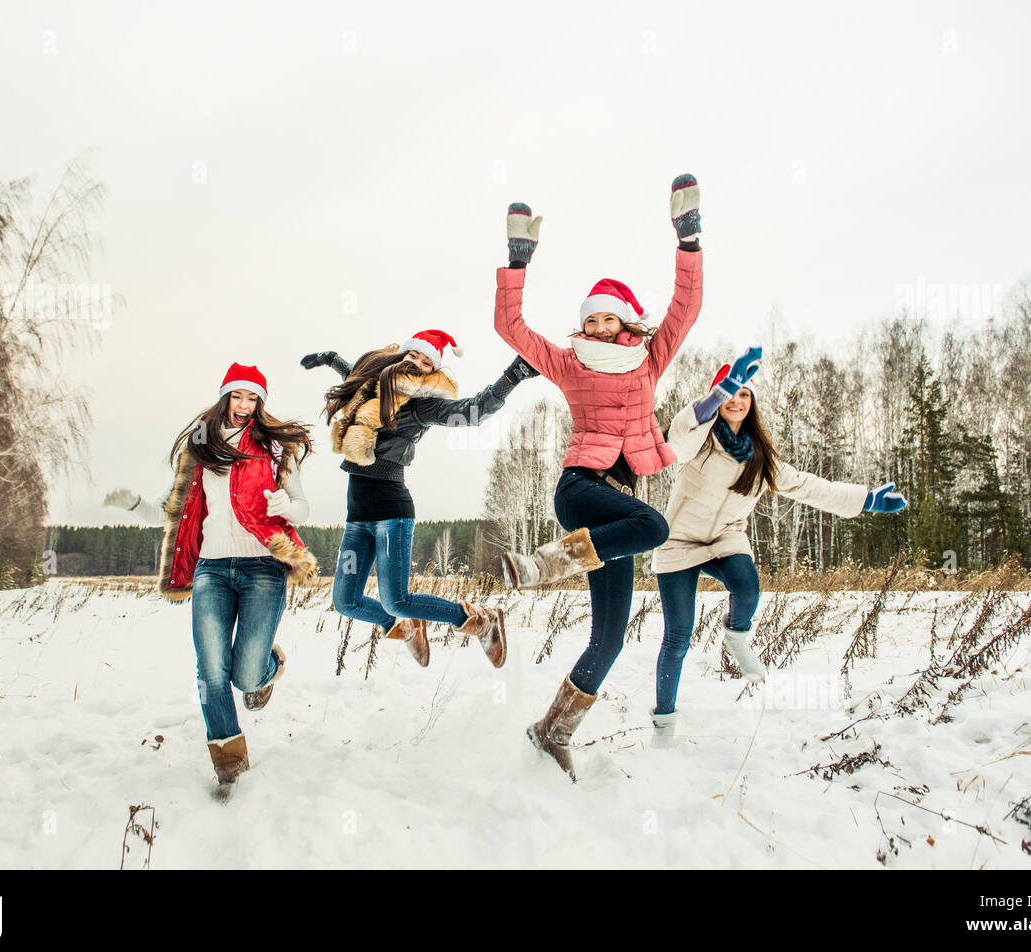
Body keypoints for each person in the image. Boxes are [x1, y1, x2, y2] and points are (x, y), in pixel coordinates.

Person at [492, 174, 704, 779]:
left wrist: (687, 238)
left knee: (609, 638)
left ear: (627, 322)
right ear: (585, 325)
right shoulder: (569, 362)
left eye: (613, 319)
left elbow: (686, 309)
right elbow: (512, 329)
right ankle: (543, 565)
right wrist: (516, 260)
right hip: (583, 491)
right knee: (656, 525)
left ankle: (551, 729)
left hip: (618, 514)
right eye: (595, 320)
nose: (603, 328)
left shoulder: (649, 357)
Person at [649, 350, 908, 735]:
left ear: (752, 404)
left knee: (747, 584)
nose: (736, 401)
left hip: (724, 539)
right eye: (729, 394)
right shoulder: (696, 441)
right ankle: (665, 722)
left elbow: (807, 486)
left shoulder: (760, 457)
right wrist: (718, 393)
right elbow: (678, 434)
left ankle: (737, 638)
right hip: (679, 543)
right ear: (717, 399)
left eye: (744, 395)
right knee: (678, 637)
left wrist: (866, 499)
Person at [103, 362, 317, 797]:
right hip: (212, 570)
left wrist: (283, 506)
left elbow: (302, 507)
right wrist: (131, 504)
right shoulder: (201, 448)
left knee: (245, 674)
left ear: (260, 403)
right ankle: (229, 761)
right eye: (237, 396)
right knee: (211, 671)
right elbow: (169, 512)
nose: (244, 405)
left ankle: (267, 669)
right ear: (225, 399)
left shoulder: (275, 447)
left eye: (252, 398)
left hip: (262, 567)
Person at [300, 331, 539, 668]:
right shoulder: (372, 388)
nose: (418, 364)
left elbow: (474, 411)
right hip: (358, 520)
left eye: (427, 362)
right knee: (345, 601)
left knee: (396, 599)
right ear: (401, 356)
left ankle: (482, 620)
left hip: (391, 515)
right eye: (415, 356)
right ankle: (405, 626)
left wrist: (512, 375)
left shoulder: (421, 407)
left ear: (431, 372)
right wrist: (331, 358)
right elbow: (354, 374)